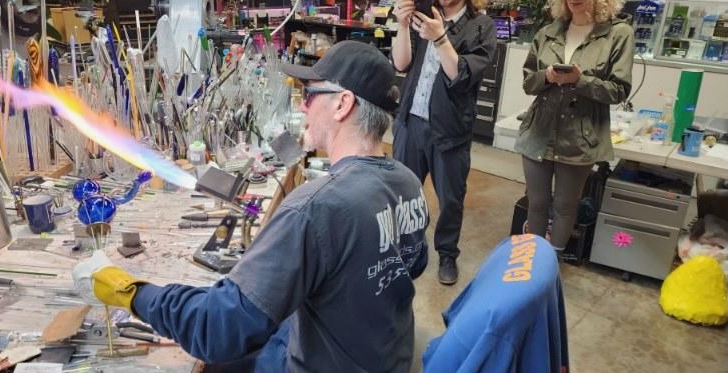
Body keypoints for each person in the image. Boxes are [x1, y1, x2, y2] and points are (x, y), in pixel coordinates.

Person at [73, 41, 430, 372]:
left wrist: (130, 290)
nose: (303, 105)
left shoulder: (314, 208)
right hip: (382, 355)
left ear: (342, 104)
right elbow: (412, 264)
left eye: (310, 95)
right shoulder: (408, 182)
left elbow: (215, 329)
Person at [391, 0, 496, 284]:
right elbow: (400, 64)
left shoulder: (481, 26)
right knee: (402, 194)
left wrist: (439, 38)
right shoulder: (422, 14)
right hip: (411, 121)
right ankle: (402, 249)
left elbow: (460, 75)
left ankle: (447, 253)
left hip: (450, 128)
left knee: (451, 198)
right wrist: (403, 25)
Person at [515, 0, 633, 252]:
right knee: (536, 203)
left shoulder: (618, 33)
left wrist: (580, 80)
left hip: (580, 137)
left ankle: (552, 261)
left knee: (565, 206)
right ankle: (533, 263)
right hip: (539, 131)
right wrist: (546, 76)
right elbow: (528, 83)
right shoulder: (548, 32)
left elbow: (618, 90)